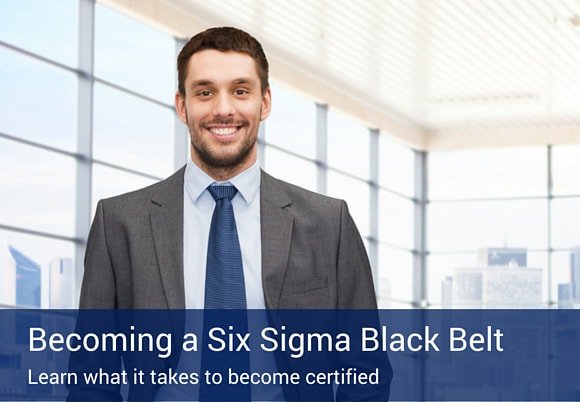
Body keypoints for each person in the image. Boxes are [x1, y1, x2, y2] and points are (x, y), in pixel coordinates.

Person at [71, 27, 389, 401]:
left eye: (240, 91)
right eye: (205, 92)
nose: (223, 109)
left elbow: (364, 372)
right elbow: (91, 378)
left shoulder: (327, 223)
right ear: (182, 105)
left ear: (264, 102)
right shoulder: (120, 223)